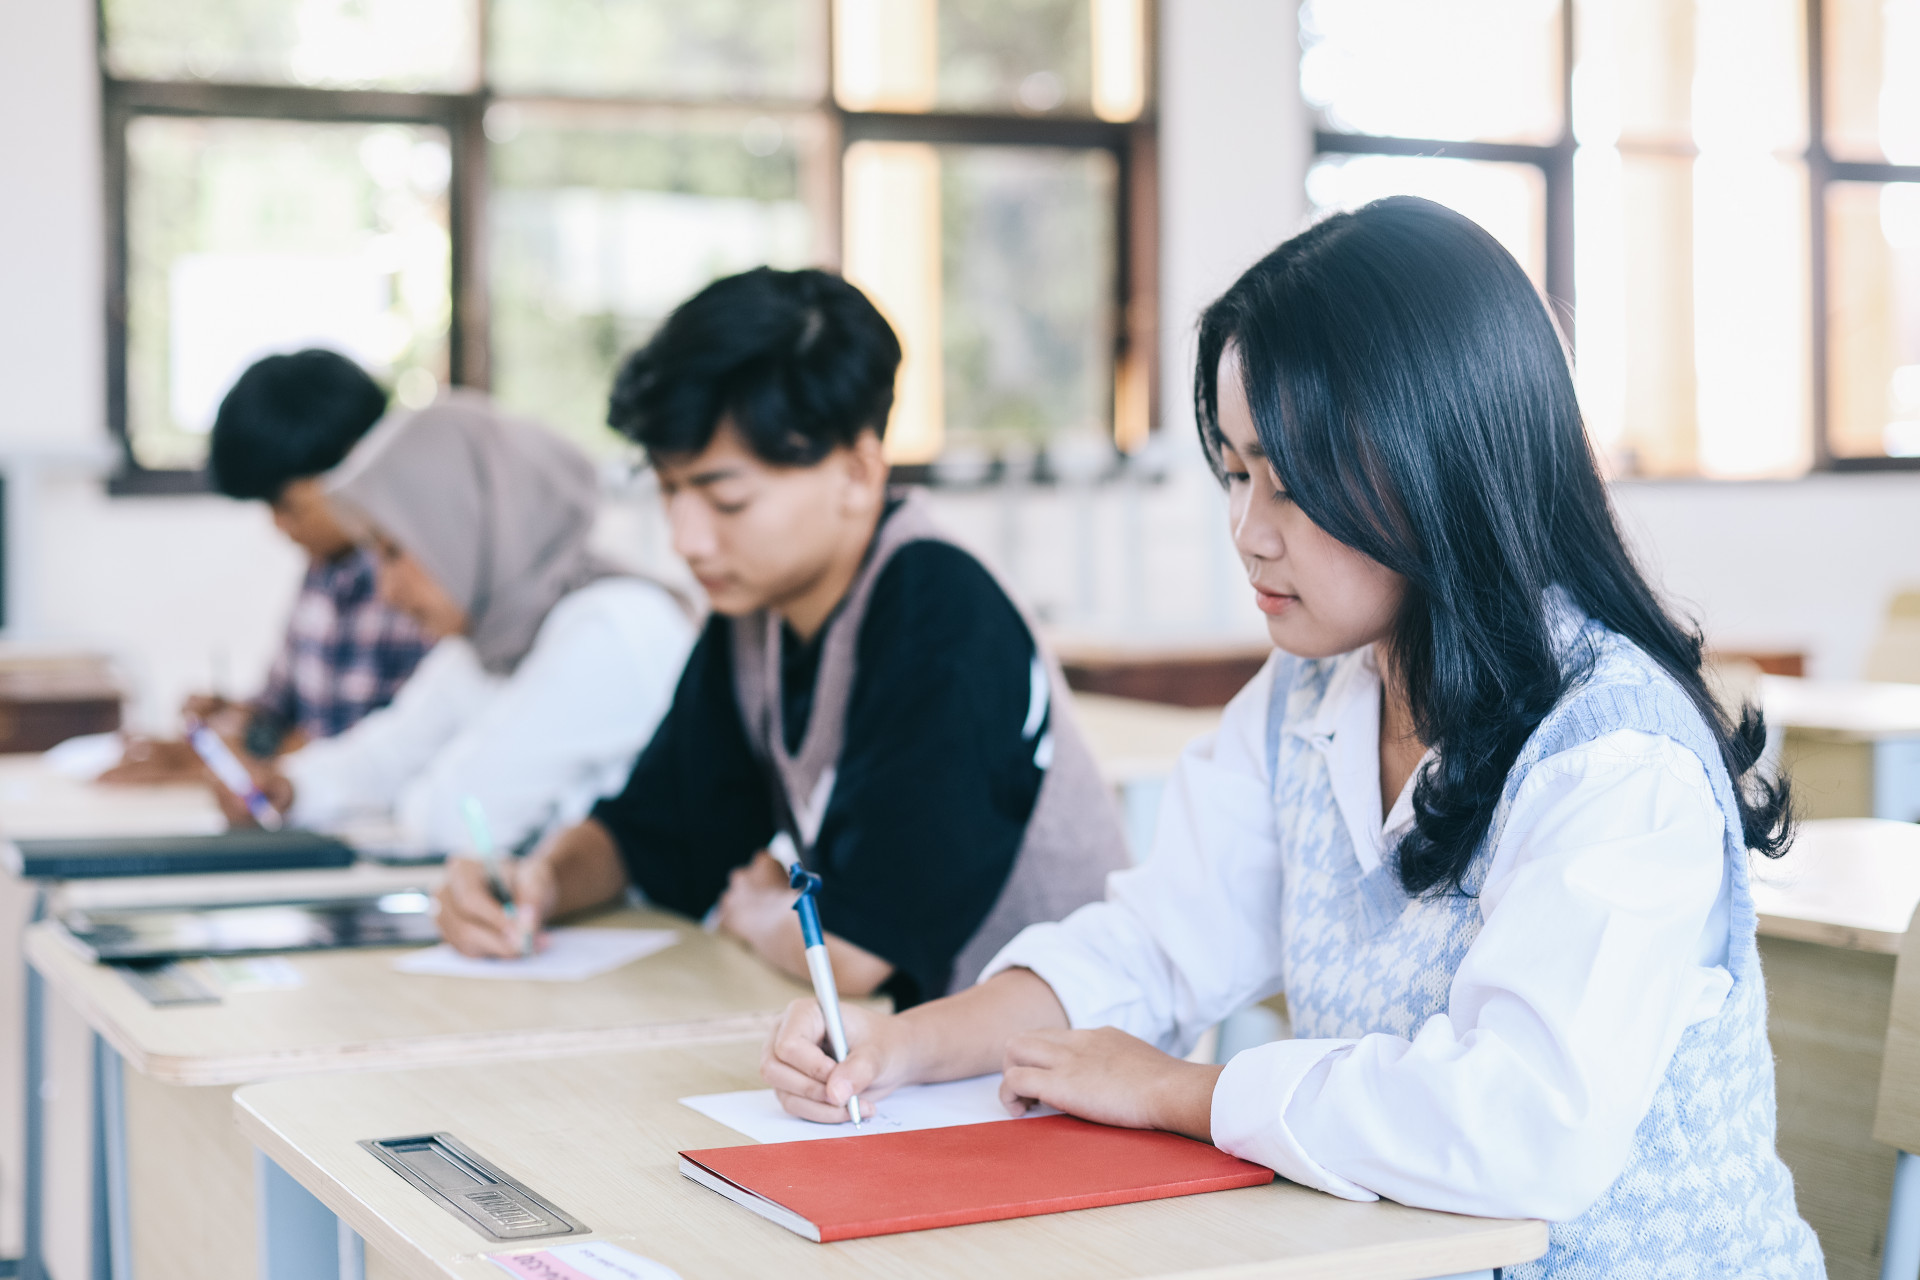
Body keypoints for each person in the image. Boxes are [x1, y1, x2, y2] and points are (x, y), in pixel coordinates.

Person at [760, 199, 1824, 1276]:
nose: (1249, 529)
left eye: (1295, 481)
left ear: (1444, 460)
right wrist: (901, 1043)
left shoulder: (1612, 758)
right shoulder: (1308, 696)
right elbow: (1155, 947)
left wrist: (1186, 1091)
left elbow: (1521, 1129)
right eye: (1235, 470)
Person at [432, 267, 1128, 1008]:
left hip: (1051, 1072)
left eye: (726, 499)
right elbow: (652, 835)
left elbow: (860, 950)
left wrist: (765, 914)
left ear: (858, 473)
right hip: (906, 1062)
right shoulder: (754, 613)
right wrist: (537, 882)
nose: (687, 538)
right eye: (670, 489)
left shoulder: (943, 613)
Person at [218, 390, 697, 855]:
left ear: (463, 523)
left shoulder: (613, 626)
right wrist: (291, 788)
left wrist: (411, 798)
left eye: (393, 551)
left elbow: (462, 821)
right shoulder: (496, 638)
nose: (386, 591)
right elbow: (384, 756)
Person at [104, 350, 429, 781]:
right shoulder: (324, 571)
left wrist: (209, 760)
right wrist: (233, 719)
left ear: (354, 460)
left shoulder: (418, 578)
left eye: (287, 505)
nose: (279, 526)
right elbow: (281, 711)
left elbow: (387, 752)